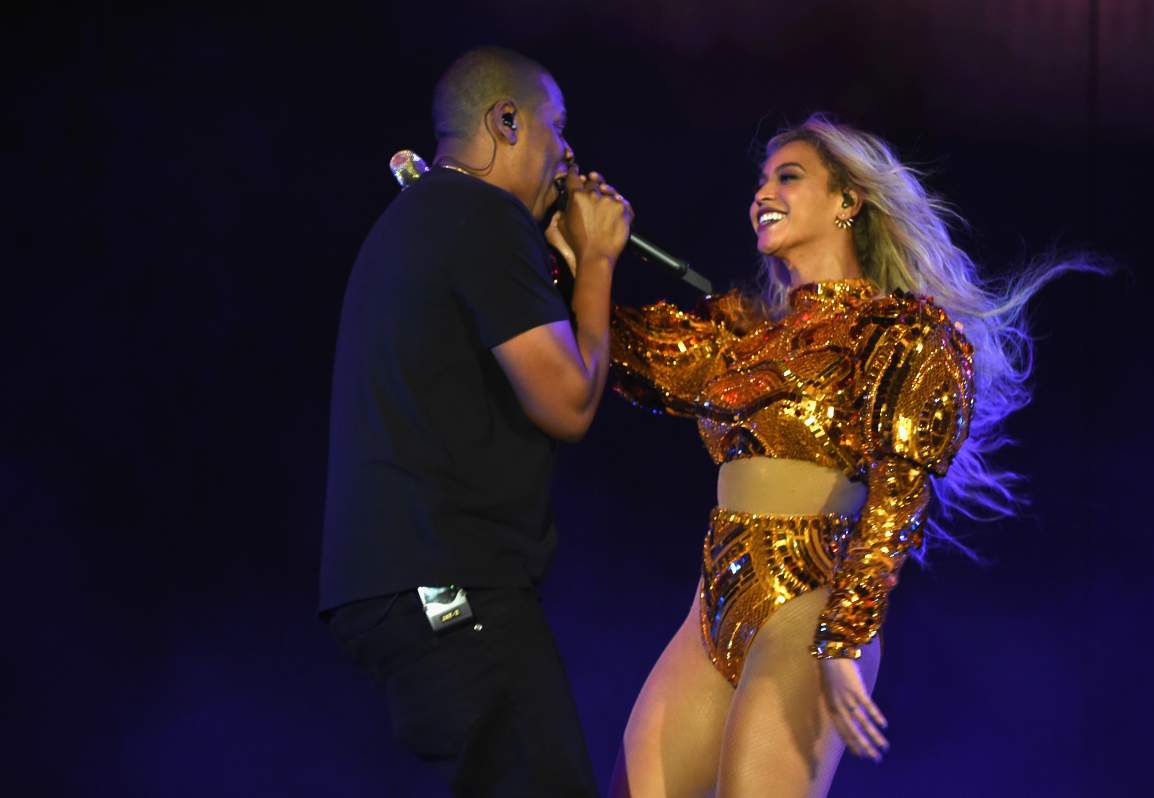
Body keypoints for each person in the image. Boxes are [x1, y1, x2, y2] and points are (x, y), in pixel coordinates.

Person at [605, 114, 1086, 797]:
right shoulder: (745, 339)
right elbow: (601, 350)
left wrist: (844, 635)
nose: (762, 193)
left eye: (788, 176)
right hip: (711, 606)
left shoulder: (904, 332)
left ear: (846, 201)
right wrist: (580, 249)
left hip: (809, 610)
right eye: (761, 180)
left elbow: (898, 495)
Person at [319, 46, 631, 798]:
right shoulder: (480, 214)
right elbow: (569, 404)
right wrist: (596, 261)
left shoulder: (434, 216)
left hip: (409, 582)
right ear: (506, 121)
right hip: (450, 579)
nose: (567, 156)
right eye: (558, 129)